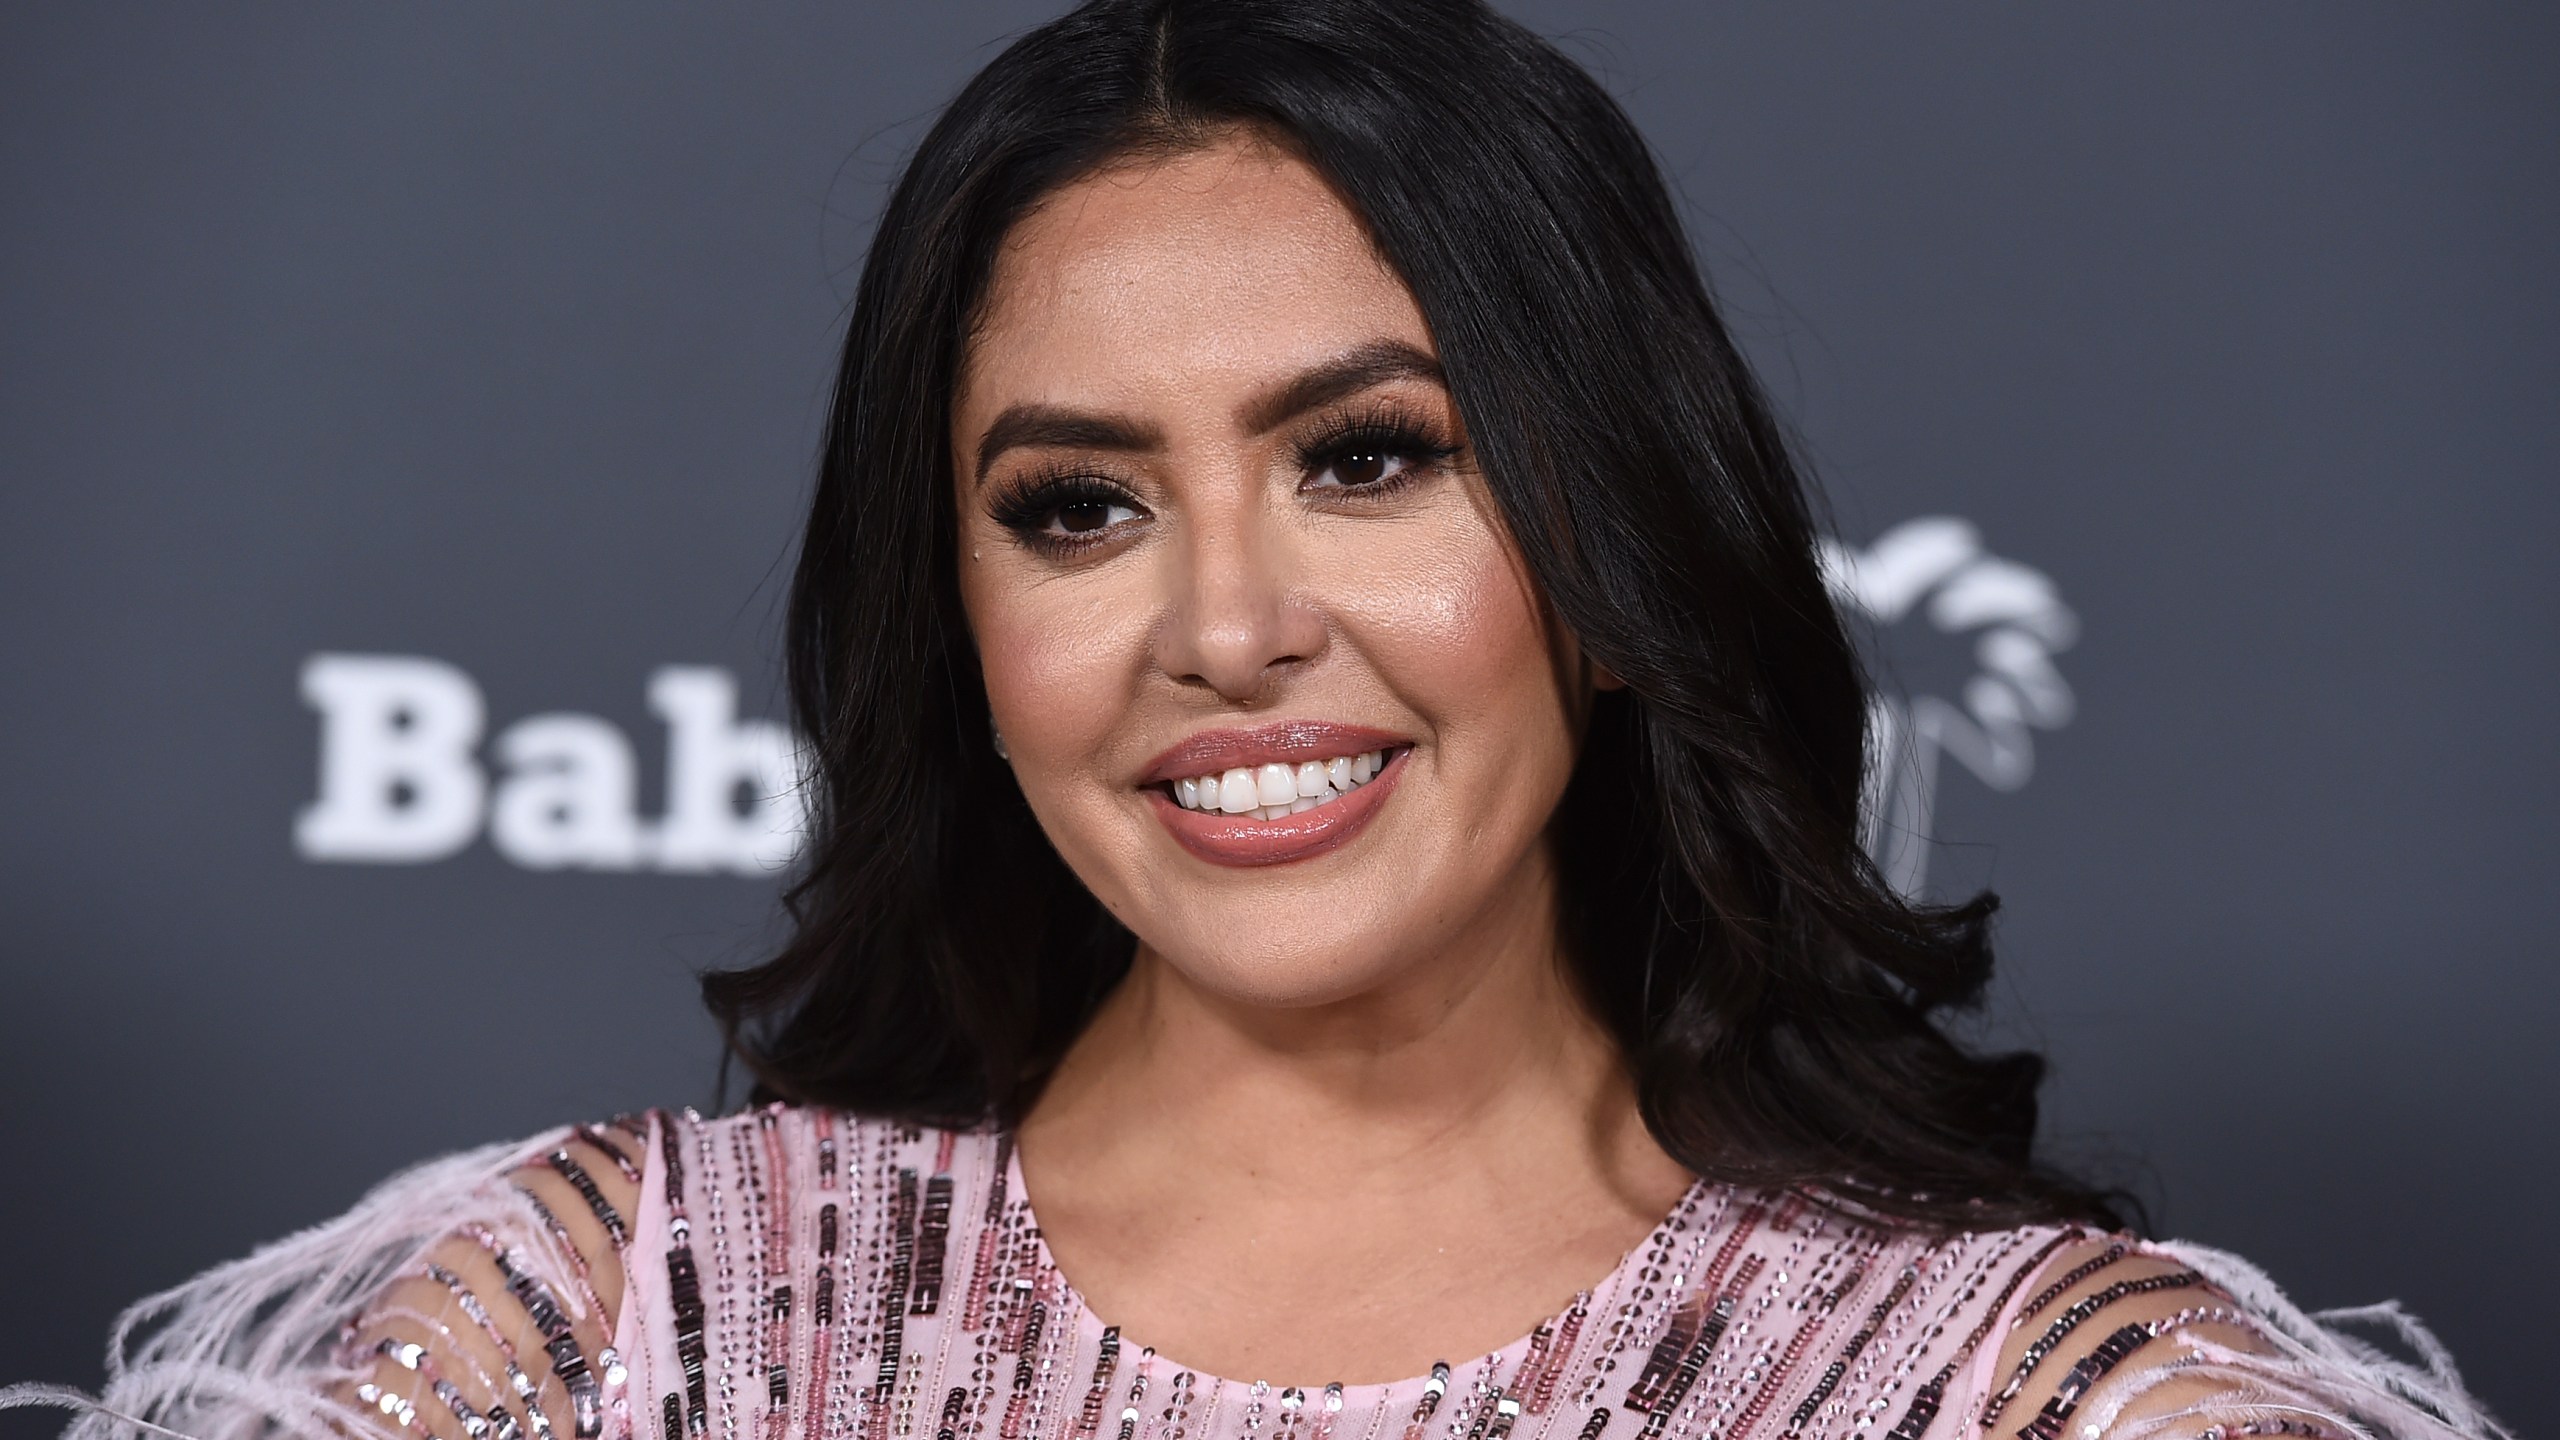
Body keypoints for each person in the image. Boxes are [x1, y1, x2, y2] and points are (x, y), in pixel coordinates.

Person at [1, 4, 2505, 1440]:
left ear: (1614, 559)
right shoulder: (601, 1333)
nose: (1224, 624)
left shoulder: (2043, 1411)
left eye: (1367, 459)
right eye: (1076, 508)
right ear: (959, 629)